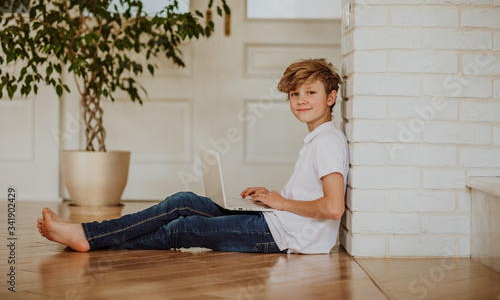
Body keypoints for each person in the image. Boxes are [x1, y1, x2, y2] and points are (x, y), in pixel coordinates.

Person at [37, 58, 349, 254]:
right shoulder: (318, 138)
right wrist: (272, 199)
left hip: (282, 237)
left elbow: (333, 208)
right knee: (183, 200)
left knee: (182, 228)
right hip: (279, 222)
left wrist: (280, 202)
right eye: (295, 94)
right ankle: (88, 234)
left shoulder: (327, 142)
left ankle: (86, 236)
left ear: (331, 97)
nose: (300, 100)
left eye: (310, 92)